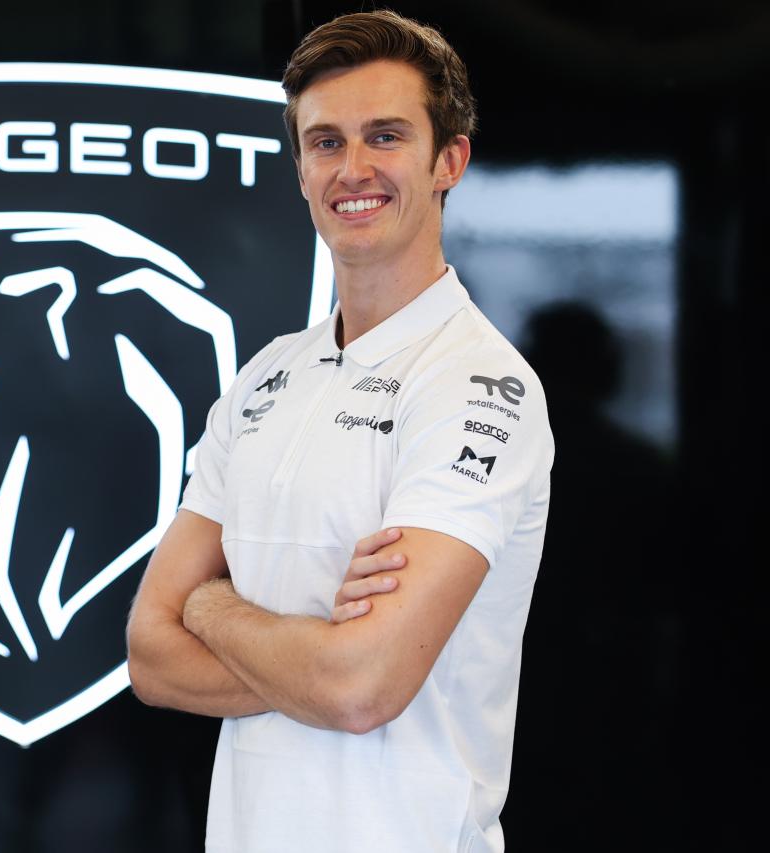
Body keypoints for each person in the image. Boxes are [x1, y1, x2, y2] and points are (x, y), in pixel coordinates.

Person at [126, 9, 555, 852]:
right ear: (300, 170)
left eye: (385, 136)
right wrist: (320, 651)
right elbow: (151, 655)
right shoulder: (264, 377)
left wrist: (210, 604)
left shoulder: (480, 384)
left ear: (449, 160)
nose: (353, 169)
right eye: (326, 143)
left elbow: (362, 687)